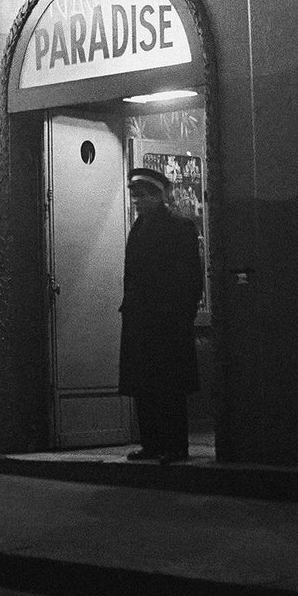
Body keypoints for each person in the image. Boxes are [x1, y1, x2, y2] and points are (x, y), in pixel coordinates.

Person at [119, 165, 203, 463]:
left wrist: (181, 314)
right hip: (142, 321)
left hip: (168, 322)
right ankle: (152, 444)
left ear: (159, 196)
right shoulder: (139, 227)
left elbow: (191, 277)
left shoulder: (180, 228)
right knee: (145, 386)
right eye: (136, 197)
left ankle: (175, 446)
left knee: (169, 387)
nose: (138, 201)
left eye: (143, 195)